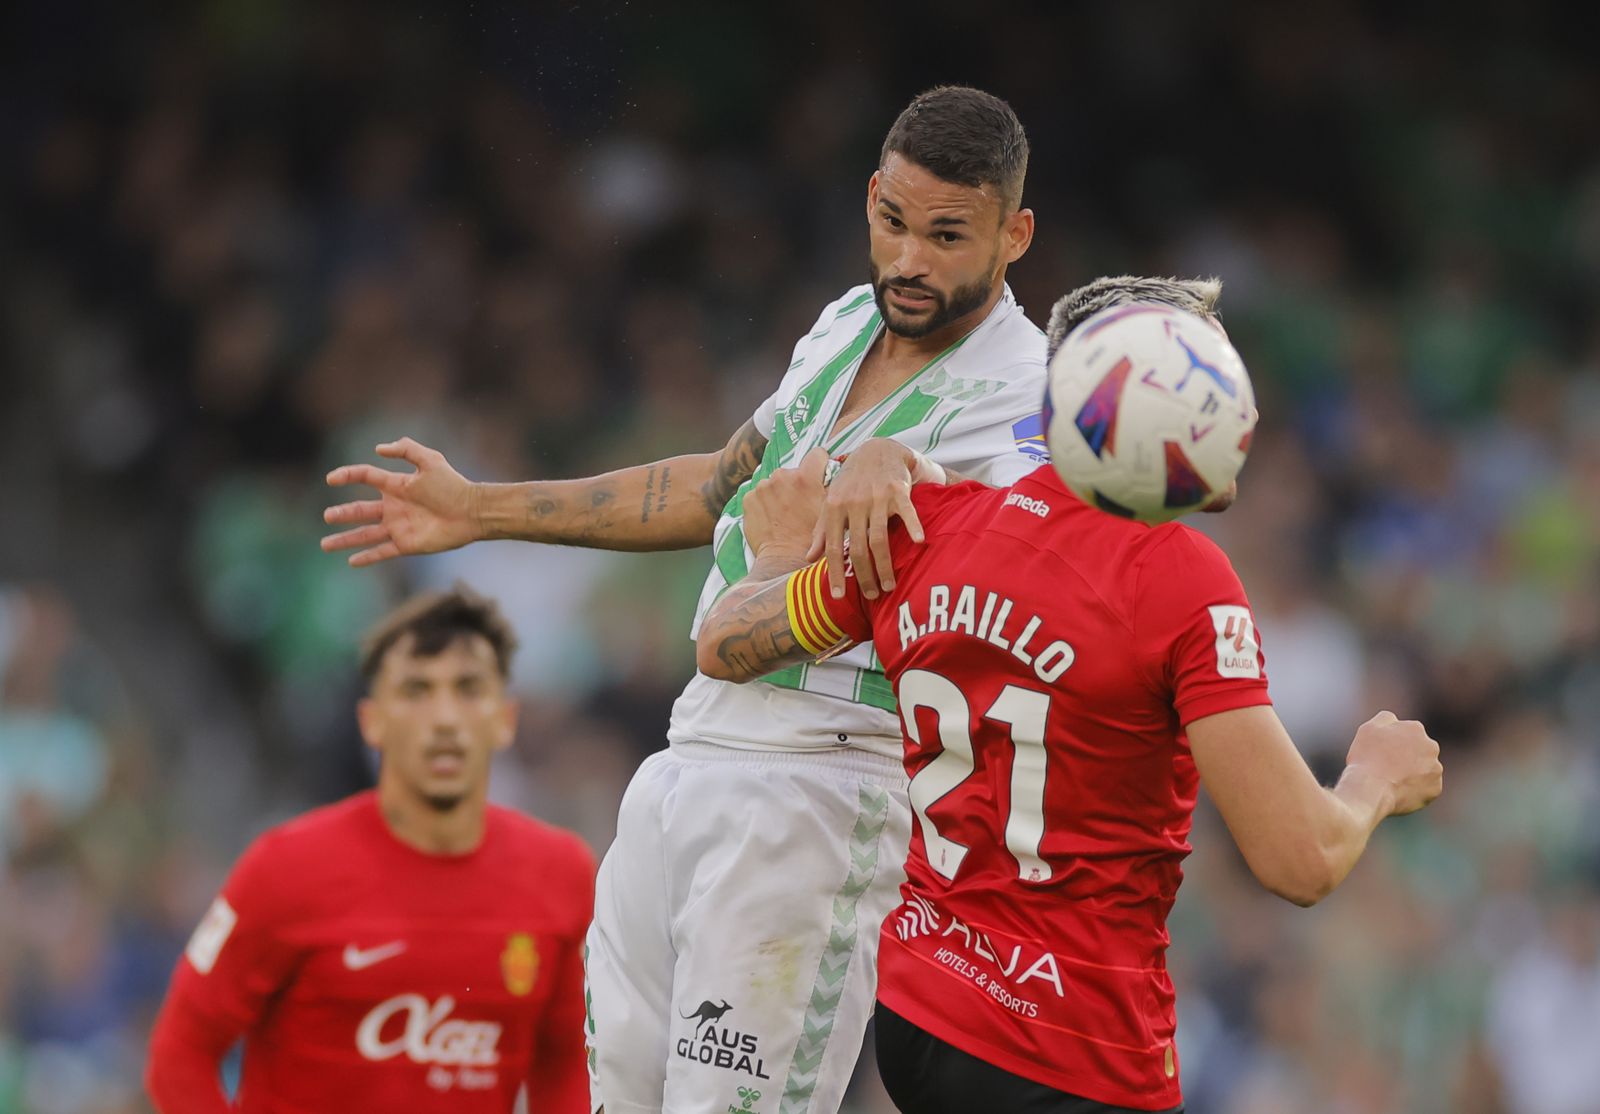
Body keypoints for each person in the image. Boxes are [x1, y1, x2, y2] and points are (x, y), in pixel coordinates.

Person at [322, 86, 1048, 1113]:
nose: (909, 261)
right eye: (893, 221)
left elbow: (1010, 569)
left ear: (1014, 233)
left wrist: (905, 482)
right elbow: (719, 487)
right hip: (690, 755)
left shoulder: (1028, 392)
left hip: (826, 781)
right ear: (870, 198)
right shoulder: (844, 324)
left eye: (947, 235)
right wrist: (480, 508)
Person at [694, 276, 1445, 1114]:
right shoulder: (1178, 576)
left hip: (919, 1013)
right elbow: (1302, 861)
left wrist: (778, 554)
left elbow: (724, 643)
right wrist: (1379, 777)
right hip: (1072, 1050)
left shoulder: (927, 524)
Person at [145, 586, 595, 1113]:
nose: (445, 717)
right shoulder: (284, 868)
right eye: (417, 690)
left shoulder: (562, 873)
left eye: (469, 688)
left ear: (505, 718)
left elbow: (567, 1066)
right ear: (372, 721)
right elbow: (180, 1054)